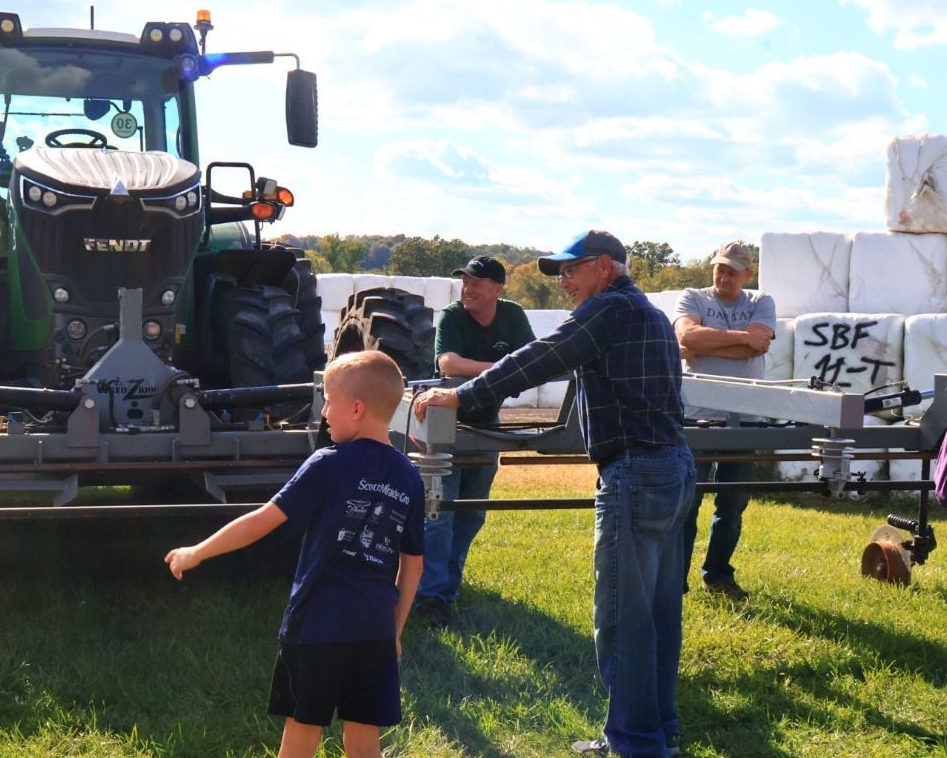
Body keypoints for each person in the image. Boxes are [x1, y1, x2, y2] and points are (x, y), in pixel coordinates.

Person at [414, 230, 694, 758]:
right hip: (672, 466)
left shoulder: (606, 310)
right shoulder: (649, 313)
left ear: (604, 266)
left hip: (634, 472)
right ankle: (660, 730)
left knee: (621, 620)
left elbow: (541, 357)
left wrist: (461, 395)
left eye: (571, 270)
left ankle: (634, 744)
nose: (564, 282)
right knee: (658, 615)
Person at [165, 350, 425, 758]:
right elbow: (414, 565)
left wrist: (197, 551)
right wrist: (394, 629)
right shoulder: (410, 476)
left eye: (329, 401)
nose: (324, 413)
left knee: (301, 737)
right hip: (374, 630)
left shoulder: (326, 463)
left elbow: (261, 522)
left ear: (357, 409)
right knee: (364, 743)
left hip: (315, 627)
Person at [415, 255, 535, 626]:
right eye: (465, 281)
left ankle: (446, 587)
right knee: (440, 514)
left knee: (471, 515)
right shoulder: (452, 316)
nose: (467, 289)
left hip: (486, 425)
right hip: (443, 425)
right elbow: (448, 364)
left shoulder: (512, 315)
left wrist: (500, 374)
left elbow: (534, 362)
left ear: (498, 289)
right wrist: (503, 372)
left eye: (476, 283)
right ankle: (431, 597)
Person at [672, 241, 775, 601]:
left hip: (745, 419)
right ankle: (675, 581)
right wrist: (744, 340)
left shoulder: (761, 301)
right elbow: (687, 336)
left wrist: (706, 344)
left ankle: (717, 575)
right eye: (719, 268)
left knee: (732, 504)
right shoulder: (693, 297)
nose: (723, 276)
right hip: (696, 416)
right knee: (686, 503)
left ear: (747, 274)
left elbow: (759, 345)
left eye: (732, 271)